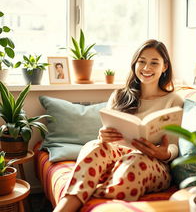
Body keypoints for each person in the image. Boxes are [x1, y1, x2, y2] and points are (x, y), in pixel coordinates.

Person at [53, 39, 183, 212]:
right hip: (115, 159)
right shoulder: (119, 96)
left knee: (134, 161)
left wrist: (165, 153)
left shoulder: (174, 100)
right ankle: (65, 206)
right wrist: (103, 136)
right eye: (142, 61)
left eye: (154, 62)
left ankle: (89, 192)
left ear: (164, 66)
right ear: (135, 64)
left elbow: (175, 145)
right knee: (93, 145)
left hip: (152, 165)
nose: (146, 68)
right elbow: (106, 135)